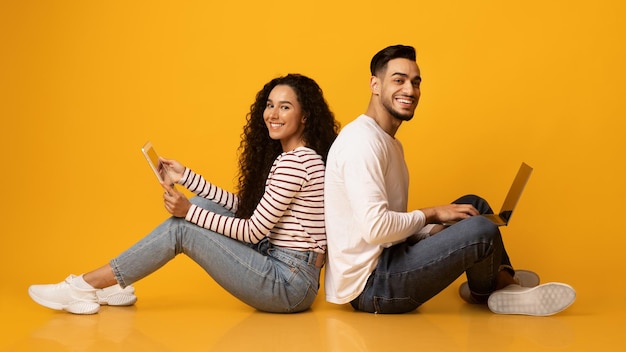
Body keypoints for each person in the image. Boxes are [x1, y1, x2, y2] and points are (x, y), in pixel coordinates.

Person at [29, 73, 340, 315]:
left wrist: (187, 213)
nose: (273, 113)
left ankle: (86, 285)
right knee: (202, 205)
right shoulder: (301, 157)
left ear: (305, 116)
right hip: (288, 267)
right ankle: (112, 284)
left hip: (288, 283)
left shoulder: (295, 163)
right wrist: (186, 178)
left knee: (183, 230)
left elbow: (252, 230)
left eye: (285, 107)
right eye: (270, 105)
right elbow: (246, 209)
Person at [323, 45, 576, 316]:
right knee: (480, 229)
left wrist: (430, 231)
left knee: (473, 205)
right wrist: (432, 214)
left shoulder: (389, 142)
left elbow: (381, 231)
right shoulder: (361, 143)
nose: (409, 90)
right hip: (373, 287)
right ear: (375, 84)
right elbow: (376, 230)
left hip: (389, 257)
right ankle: (501, 287)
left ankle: (488, 287)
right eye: (398, 80)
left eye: (415, 82)